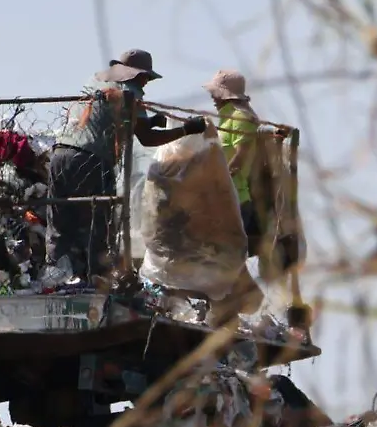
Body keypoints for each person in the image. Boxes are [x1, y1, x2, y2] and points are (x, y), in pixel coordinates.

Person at [49, 49, 208, 282]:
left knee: (60, 223)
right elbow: (147, 138)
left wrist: (150, 120)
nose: (146, 84)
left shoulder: (97, 82)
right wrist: (186, 129)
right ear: (138, 76)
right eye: (145, 78)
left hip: (60, 155)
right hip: (91, 160)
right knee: (97, 224)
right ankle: (97, 279)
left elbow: (106, 119)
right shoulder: (130, 92)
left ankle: (55, 275)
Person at [204, 69, 263, 258]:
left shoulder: (240, 118)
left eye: (216, 93)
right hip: (224, 196)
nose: (213, 97)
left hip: (234, 197)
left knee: (226, 261)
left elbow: (240, 157)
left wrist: (220, 181)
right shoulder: (227, 117)